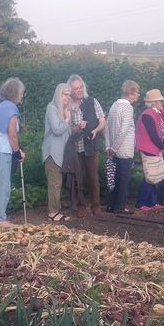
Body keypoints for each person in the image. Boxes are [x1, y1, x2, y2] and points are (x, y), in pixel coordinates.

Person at [0, 77, 26, 228]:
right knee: (3, 184)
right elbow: (12, 134)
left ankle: (0, 215)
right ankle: (0, 220)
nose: (22, 95)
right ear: (15, 93)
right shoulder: (11, 108)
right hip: (0, 148)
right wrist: (17, 153)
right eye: (21, 93)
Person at [66, 75, 106, 216]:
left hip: (90, 146)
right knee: (77, 179)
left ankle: (96, 206)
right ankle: (81, 206)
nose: (79, 90)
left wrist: (96, 130)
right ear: (70, 91)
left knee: (93, 178)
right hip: (75, 148)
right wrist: (76, 127)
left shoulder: (92, 101)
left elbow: (102, 121)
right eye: (76, 88)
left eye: (81, 87)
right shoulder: (67, 105)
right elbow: (63, 128)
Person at [104, 80, 140, 214]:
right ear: (130, 93)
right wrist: (114, 148)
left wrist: (109, 146)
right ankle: (120, 206)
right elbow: (124, 130)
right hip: (124, 150)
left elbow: (107, 127)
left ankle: (111, 205)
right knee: (123, 179)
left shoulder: (114, 105)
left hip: (113, 149)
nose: (138, 95)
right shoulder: (128, 108)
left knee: (113, 178)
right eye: (137, 92)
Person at [135, 89, 164, 211]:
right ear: (154, 103)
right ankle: (141, 203)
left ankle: (150, 202)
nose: (162, 103)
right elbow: (153, 135)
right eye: (160, 101)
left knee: (153, 177)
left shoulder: (154, 113)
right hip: (148, 148)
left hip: (153, 148)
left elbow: (159, 133)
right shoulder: (148, 115)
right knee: (150, 177)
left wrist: (163, 146)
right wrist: (163, 148)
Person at [42, 83, 72, 222]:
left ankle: (56, 209)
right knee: (55, 184)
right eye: (65, 94)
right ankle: (53, 213)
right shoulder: (51, 108)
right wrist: (67, 119)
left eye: (69, 95)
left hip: (60, 154)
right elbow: (57, 129)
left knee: (57, 183)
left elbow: (67, 133)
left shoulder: (61, 110)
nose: (68, 97)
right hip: (52, 153)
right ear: (58, 94)